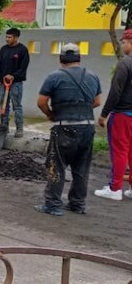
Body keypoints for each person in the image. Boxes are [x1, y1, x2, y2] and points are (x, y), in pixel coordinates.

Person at [35, 43, 101, 215]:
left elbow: (41, 102)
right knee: (81, 168)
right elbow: (98, 101)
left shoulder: (54, 77)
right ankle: (78, 204)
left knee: (56, 165)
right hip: (87, 127)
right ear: (79, 58)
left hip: (64, 127)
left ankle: (53, 205)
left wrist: (51, 115)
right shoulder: (92, 76)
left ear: (61, 58)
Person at [94, 29, 132, 200]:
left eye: (124, 42)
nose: (122, 44)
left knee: (119, 151)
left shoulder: (125, 63)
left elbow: (115, 91)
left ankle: (115, 188)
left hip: (122, 114)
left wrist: (104, 114)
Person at [0, 27, 30, 137]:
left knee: (17, 106)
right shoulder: (3, 49)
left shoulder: (22, 50)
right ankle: (4, 127)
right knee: (3, 105)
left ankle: (19, 129)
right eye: (6, 37)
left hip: (16, 84)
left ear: (16, 37)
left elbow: (23, 67)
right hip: (3, 83)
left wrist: (13, 76)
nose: (7, 39)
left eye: (9, 37)